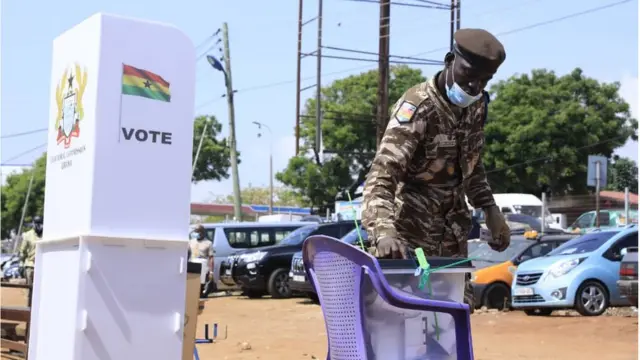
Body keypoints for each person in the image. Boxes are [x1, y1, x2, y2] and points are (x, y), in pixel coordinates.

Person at [361, 28, 511, 308]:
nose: (474, 87)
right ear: (450, 60)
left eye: (484, 80)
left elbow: (472, 164)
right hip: (408, 245)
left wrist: (490, 209)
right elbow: (381, 177)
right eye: (468, 76)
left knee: (452, 326)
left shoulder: (477, 106)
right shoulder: (417, 107)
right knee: (410, 325)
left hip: (452, 242)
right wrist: (384, 233)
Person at [189, 224, 214, 298]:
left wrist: (211, 271)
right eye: (195, 231)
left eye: (197, 231)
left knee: (201, 282)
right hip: (192, 262)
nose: (195, 233)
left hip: (203, 264)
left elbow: (211, 257)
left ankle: (200, 295)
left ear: (202, 232)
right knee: (192, 281)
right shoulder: (191, 242)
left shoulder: (208, 243)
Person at [19, 216, 43, 286]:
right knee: (31, 289)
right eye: (36, 223)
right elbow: (22, 251)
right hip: (30, 266)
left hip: (43, 266)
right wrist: (21, 263)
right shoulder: (27, 235)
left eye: (40, 223)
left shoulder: (46, 234)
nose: (38, 226)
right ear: (33, 224)